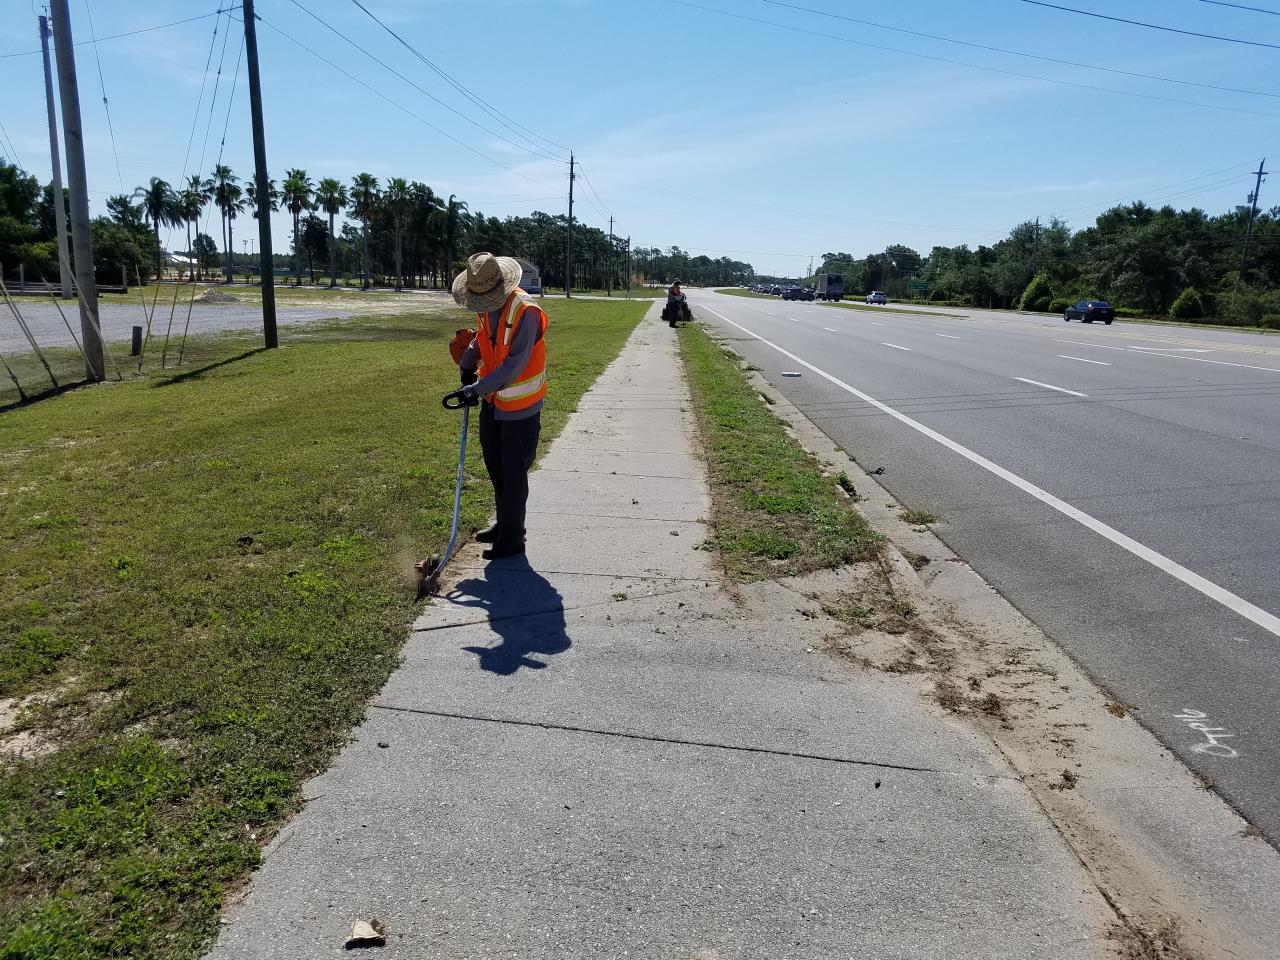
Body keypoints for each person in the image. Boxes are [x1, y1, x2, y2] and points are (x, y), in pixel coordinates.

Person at [449, 252, 548, 560]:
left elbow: (513, 366)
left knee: (514, 472)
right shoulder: (485, 304)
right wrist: (468, 362)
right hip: (494, 401)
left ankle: (513, 538)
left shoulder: (525, 312)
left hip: (521, 406)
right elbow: (484, 337)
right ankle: (504, 523)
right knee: (495, 466)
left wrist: (475, 388)